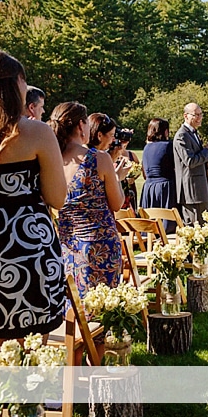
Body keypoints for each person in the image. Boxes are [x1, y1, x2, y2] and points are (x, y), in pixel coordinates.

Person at [0, 50, 66, 351]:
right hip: (29, 254)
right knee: (32, 362)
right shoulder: (37, 133)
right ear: (13, 85)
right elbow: (58, 198)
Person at [50, 102, 130, 300]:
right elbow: (117, 203)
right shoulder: (98, 158)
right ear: (80, 126)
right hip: (100, 244)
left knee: (74, 305)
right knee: (103, 304)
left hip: (67, 245)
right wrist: (118, 178)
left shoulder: (53, 160)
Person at [173, 103, 208, 225]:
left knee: (204, 227)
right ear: (185, 116)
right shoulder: (182, 135)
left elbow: (200, 157)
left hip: (200, 188)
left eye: (201, 114)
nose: (199, 118)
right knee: (195, 229)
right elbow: (190, 161)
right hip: (192, 191)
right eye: (195, 115)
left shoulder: (193, 133)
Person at [139, 118, 177, 232]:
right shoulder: (168, 146)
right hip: (165, 186)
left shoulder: (146, 148)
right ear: (165, 131)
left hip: (149, 187)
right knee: (167, 223)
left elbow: (144, 171)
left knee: (151, 221)